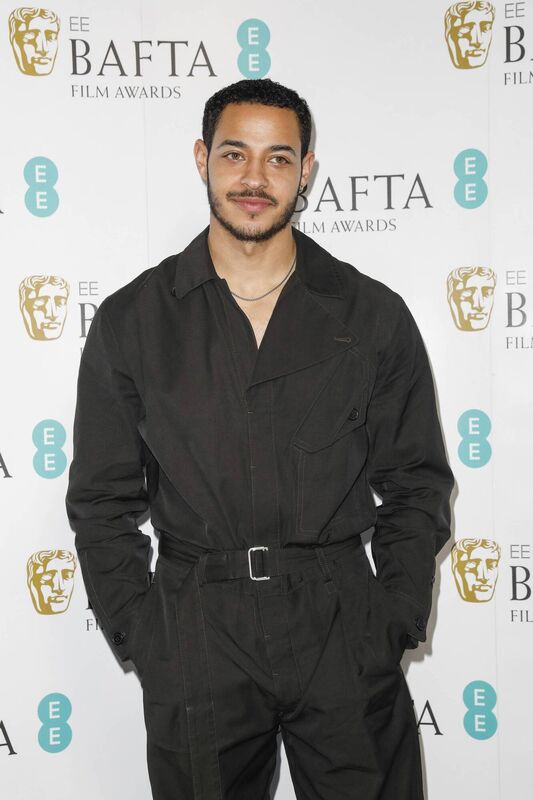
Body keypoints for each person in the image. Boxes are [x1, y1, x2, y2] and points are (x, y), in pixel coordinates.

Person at [65, 78, 455, 800]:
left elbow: (417, 484)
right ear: (201, 158)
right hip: (196, 628)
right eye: (234, 153)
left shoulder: (371, 315)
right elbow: (100, 501)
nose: (254, 177)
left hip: (341, 623)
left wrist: (390, 619)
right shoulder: (133, 321)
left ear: (306, 170)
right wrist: (146, 635)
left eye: (278, 158)